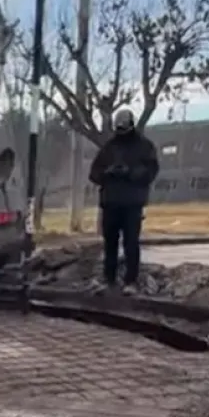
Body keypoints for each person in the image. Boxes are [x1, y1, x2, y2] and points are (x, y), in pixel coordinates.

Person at [88, 108, 159, 294]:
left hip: (132, 203)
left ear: (131, 126)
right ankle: (109, 279)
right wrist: (108, 172)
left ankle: (131, 281)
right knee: (110, 243)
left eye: (123, 129)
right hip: (111, 202)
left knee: (131, 243)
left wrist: (130, 172)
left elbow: (151, 171)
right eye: (118, 129)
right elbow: (94, 173)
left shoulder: (144, 147)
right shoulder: (109, 147)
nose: (120, 133)